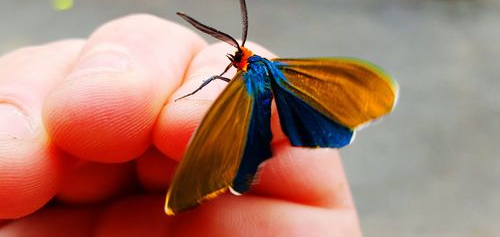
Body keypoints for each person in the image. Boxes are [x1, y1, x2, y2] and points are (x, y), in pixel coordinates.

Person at [0, 14, 362, 236]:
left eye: (236, 58)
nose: (233, 60)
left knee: (206, 108)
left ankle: (234, 162)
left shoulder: (244, 80)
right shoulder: (250, 77)